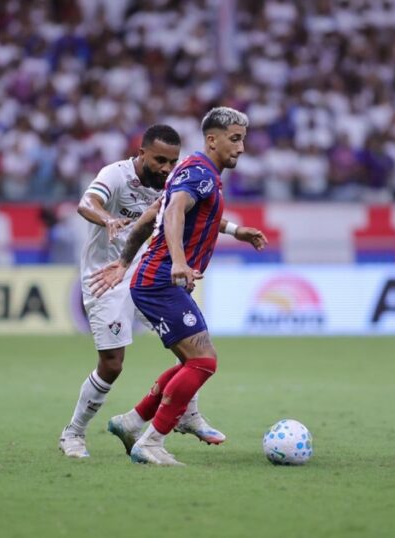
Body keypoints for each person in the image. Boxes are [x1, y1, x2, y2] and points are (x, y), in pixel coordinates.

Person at [58, 123, 266, 459]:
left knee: (188, 346)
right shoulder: (115, 175)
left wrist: (234, 230)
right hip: (106, 277)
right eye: (159, 161)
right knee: (112, 364)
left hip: (147, 273)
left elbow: (186, 209)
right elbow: (87, 203)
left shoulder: (170, 180)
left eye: (172, 161)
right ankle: (74, 433)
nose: (167, 168)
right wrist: (107, 219)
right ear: (141, 154)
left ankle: (184, 413)